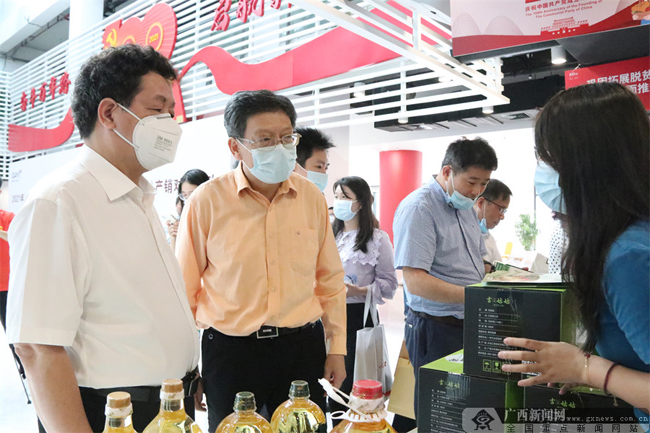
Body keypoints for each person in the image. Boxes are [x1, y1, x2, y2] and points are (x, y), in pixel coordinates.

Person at [6, 45, 200, 433]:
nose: (171, 124)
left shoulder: (138, 197)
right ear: (109, 113)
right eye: (158, 109)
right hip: (112, 413)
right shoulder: (60, 201)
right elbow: (37, 346)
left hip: (168, 407)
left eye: (172, 112)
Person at [175, 89, 347, 432]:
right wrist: (188, 368)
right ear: (235, 147)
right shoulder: (206, 201)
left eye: (286, 138)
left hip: (301, 347)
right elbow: (184, 289)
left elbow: (329, 279)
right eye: (265, 140)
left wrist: (337, 348)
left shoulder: (311, 198)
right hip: (232, 352)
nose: (279, 148)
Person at [498, 83, 649, 428]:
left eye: (549, 160)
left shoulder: (627, 257)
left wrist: (585, 368)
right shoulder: (628, 238)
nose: (542, 174)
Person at [393, 137, 497, 420]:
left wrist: (498, 277)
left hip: (468, 323)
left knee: (465, 408)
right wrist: (475, 296)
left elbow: (476, 263)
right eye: (471, 181)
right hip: (435, 328)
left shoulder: (466, 208)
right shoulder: (420, 208)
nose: (476, 191)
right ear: (448, 171)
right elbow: (416, 282)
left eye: (484, 184)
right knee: (438, 411)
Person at [330, 176, 398, 419]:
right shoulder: (330, 235)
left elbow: (390, 284)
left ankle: (357, 423)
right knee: (328, 380)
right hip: (327, 314)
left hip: (358, 315)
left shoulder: (377, 239)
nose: (339, 202)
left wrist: (358, 291)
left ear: (360, 203)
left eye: (345, 197)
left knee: (352, 379)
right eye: (336, 196)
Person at [167, 168, 209, 251]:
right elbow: (175, 257)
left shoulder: (215, 217)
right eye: (185, 195)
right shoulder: (183, 218)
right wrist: (174, 237)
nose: (188, 199)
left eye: (192, 194)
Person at [472, 179, 512, 267]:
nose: (502, 217)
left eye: (504, 211)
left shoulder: (489, 238)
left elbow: (497, 269)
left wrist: (515, 273)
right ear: (481, 203)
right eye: (500, 209)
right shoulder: (460, 232)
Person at [293, 126, 334, 192]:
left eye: (326, 168)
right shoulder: (280, 196)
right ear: (294, 167)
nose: (324, 173)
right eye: (319, 166)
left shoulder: (317, 197)